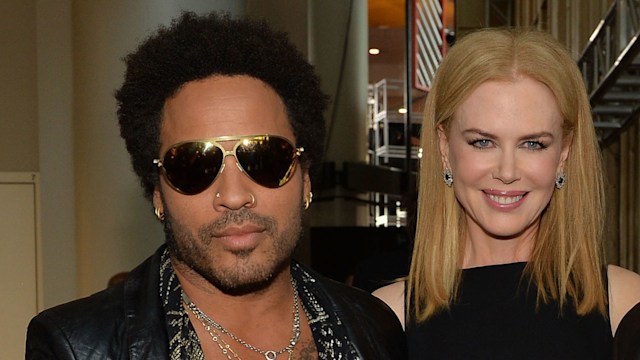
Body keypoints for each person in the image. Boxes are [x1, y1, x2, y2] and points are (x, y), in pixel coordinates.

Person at [26, 12, 407, 359]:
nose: (235, 196)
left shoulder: (374, 326)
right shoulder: (75, 346)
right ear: (157, 192)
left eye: (264, 158)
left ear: (305, 178)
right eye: (194, 165)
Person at [374, 27, 640, 359]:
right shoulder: (385, 320)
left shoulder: (625, 305)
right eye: (483, 142)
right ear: (444, 146)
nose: (507, 172)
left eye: (533, 144)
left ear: (564, 153)